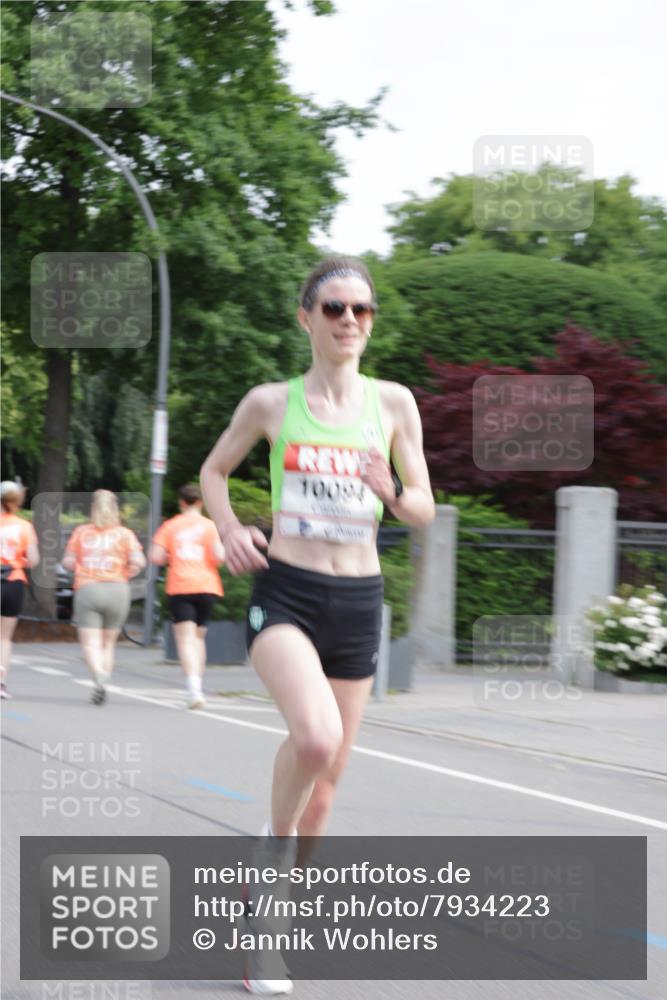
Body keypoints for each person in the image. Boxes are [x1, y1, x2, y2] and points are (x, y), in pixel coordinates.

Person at [200, 256, 435, 995]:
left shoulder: (392, 404)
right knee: (315, 738)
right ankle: (266, 875)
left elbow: (423, 507)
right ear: (306, 318)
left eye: (361, 309)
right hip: (287, 593)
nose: (349, 321)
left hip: (358, 601)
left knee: (324, 798)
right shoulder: (271, 402)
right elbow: (213, 472)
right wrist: (229, 529)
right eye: (334, 308)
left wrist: (390, 490)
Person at [62, 489, 146, 704]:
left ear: (93, 509)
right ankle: (104, 682)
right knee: (108, 644)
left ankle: (98, 676)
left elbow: (68, 562)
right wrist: (132, 569)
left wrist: (80, 565)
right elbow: (139, 561)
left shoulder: (81, 532)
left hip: (88, 589)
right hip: (118, 590)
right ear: (115, 509)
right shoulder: (125, 534)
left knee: (90, 643)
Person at [149, 484, 225, 709]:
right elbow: (220, 557)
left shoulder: (170, 526)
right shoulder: (209, 526)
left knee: (185, 640)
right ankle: (198, 686)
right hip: (207, 585)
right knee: (198, 638)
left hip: (181, 585)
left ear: (181, 502)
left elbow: (155, 557)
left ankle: (193, 689)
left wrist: (172, 556)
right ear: (200, 502)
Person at [0, 481, 40, 699]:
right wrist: (19, 561)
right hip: (13, 581)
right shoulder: (24, 526)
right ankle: (1, 683)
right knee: (4, 638)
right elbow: (33, 560)